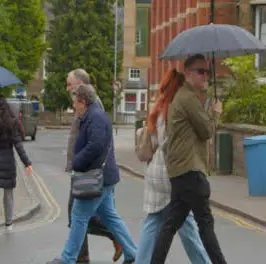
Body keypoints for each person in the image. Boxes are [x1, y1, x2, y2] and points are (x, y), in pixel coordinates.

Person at [48, 84, 136, 264]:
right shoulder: (93, 115)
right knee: (110, 217)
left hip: (97, 177)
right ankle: (133, 252)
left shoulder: (95, 117)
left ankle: (68, 258)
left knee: (79, 216)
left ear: (82, 101)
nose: (73, 106)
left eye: (74, 102)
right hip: (104, 176)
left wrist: (76, 161)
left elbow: (96, 145)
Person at [150, 54, 226, 264]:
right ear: (188, 74)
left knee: (171, 225)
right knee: (205, 223)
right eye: (201, 72)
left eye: (207, 72)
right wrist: (216, 112)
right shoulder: (189, 98)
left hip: (180, 172)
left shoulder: (182, 97)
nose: (206, 76)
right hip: (191, 171)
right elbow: (207, 131)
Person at [134, 69, 210, 264]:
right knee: (188, 229)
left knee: (153, 221)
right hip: (172, 174)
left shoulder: (157, 111)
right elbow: (203, 134)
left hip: (154, 174)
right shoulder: (179, 111)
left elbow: (152, 143)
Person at [65, 69, 123, 263]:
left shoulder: (93, 106)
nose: (67, 88)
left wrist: (80, 162)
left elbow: (96, 143)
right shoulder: (84, 104)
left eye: (69, 84)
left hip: (91, 171)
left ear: (81, 85)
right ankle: (82, 255)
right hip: (86, 169)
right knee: (87, 215)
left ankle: (80, 256)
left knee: (78, 215)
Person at [0, 94, 33, 236]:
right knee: (8, 193)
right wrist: (27, 162)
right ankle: (9, 223)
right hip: (8, 160)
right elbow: (18, 144)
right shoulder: (12, 122)